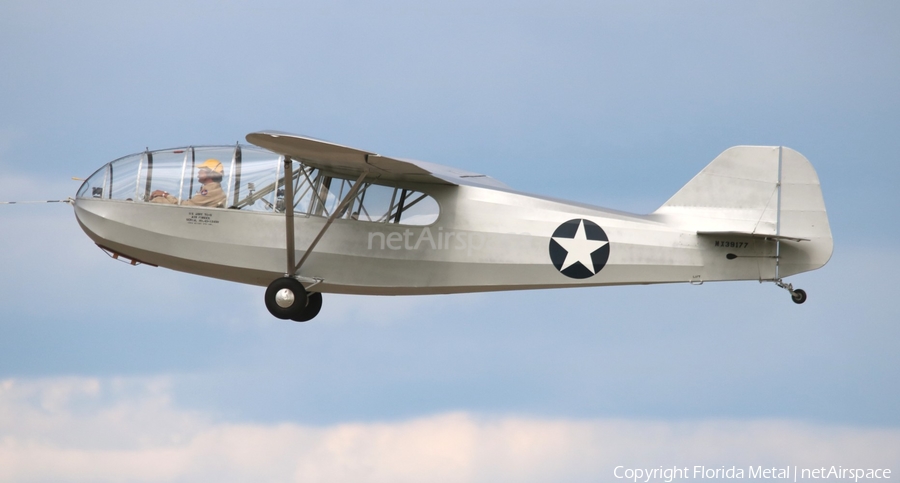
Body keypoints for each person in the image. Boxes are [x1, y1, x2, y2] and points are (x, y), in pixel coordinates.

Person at [150, 159, 226, 207]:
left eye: (202, 169)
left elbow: (188, 206)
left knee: (159, 200)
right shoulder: (212, 188)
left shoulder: (210, 190)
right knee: (161, 199)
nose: (199, 172)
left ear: (211, 173)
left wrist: (165, 195)